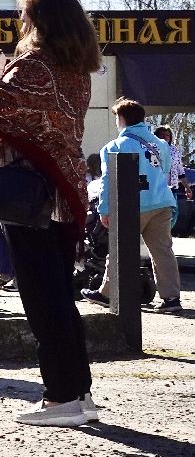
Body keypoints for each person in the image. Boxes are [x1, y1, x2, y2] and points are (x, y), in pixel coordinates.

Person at [0, 0, 101, 426]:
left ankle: (61, 397)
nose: (22, 25)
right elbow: (22, 104)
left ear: (41, 22)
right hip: (60, 190)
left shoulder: (36, 67)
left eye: (26, 18)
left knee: (42, 297)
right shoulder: (73, 69)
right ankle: (78, 391)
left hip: (29, 194)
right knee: (59, 295)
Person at [87, 98, 183, 313]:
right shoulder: (161, 145)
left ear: (121, 119)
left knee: (119, 248)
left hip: (133, 204)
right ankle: (171, 299)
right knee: (163, 251)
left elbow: (107, 181)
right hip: (162, 201)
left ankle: (106, 294)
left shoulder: (114, 146)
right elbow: (165, 169)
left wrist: (104, 209)